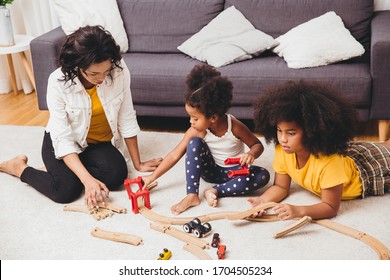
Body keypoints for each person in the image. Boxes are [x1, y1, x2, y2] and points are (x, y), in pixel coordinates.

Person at [0, 25, 161, 208]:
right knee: (66, 191)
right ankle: (19, 167)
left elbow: (127, 116)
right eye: (94, 73)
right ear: (78, 66)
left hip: (97, 144)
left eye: (106, 71)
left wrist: (138, 163)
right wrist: (87, 180)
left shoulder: (119, 70)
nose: (102, 78)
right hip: (62, 142)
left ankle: (65, 171)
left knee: (117, 175)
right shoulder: (57, 82)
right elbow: (63, 138)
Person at [249, 80, 390, 220]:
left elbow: (330, 207)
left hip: (367, 172)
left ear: (312, 131)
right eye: (279, 131)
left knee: (384, 151)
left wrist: (300, 211)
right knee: (377, 146)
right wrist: (261, 201)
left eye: (291, 133)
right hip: (348, 161)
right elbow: (280, 186)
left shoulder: (330, 162)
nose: (283, 139)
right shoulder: (283, 150)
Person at [142, 64, 270, 215]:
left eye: (195, 118)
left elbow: (257, 145)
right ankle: (192, 195)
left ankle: (215, 191)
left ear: (213, 117)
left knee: (263, 175)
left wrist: (251, 154)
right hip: (211, 171)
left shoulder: (234, 126)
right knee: (193, 144)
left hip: (236, 172)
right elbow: (174, 155)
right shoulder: (197, 131)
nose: (191, 122)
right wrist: (151, 177)